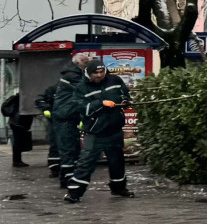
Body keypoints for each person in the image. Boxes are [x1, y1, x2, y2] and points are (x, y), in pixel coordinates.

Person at [64, 59, 134, 203]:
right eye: (96, 73)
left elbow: (124, 93)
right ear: (89, 74)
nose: (100, 75)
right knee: (86, 162)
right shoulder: (81, 88)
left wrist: (125, 101)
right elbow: (81, 108)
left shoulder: (114, 80)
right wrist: (100, 103)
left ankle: (119, 188)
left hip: (114, 130)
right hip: (95, 132)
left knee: (117, 161)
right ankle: (74, 193)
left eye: (102, 72)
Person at [53, 53, 89, 188]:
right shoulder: (72, 76)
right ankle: (67, 180)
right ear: (78, 63)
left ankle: (68, 177)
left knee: (72, 149)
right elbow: (84, 89)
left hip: (69, 116)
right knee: (68, 149)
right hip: (65, 117)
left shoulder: (73, 73)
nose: (87, 64)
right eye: (86, 62)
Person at [1, 94, 34, 167]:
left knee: (17, 142)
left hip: (15, 122)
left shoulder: (17, 97)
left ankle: (17, 161)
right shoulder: (22, 98)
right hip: (19, 122)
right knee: (18, 142)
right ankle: (17, 161)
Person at [35, 85, 60, 177]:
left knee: (56, 145)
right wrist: (46, 108)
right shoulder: (53, 89)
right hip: (57, 120)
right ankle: (56, 168)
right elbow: (40, 100)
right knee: (56, 144)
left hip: (60, 120)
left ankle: (56, 168)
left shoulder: (54, 89)